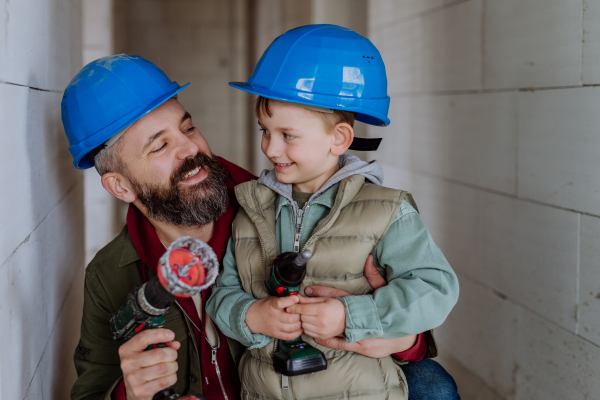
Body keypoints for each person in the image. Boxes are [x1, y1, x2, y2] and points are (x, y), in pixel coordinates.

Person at [62, 54, 459, 400]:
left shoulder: (270, 213)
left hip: (339, 380)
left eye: (187, 128)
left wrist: (407, 341)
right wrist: (129, 393)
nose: (191, 149)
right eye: (160, 146)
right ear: (121, 185)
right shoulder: (110, 277)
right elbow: (90, 390)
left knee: (430, 385)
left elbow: (412, 297)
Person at [206, 25, 460, 400]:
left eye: (287, 135)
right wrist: (251, 315)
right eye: (265, 130)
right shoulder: (252, 210)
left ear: (338, 139)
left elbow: (435, 289)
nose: (270, 149)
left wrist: (350, 317)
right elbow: (222, 293)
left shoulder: (386, 211)